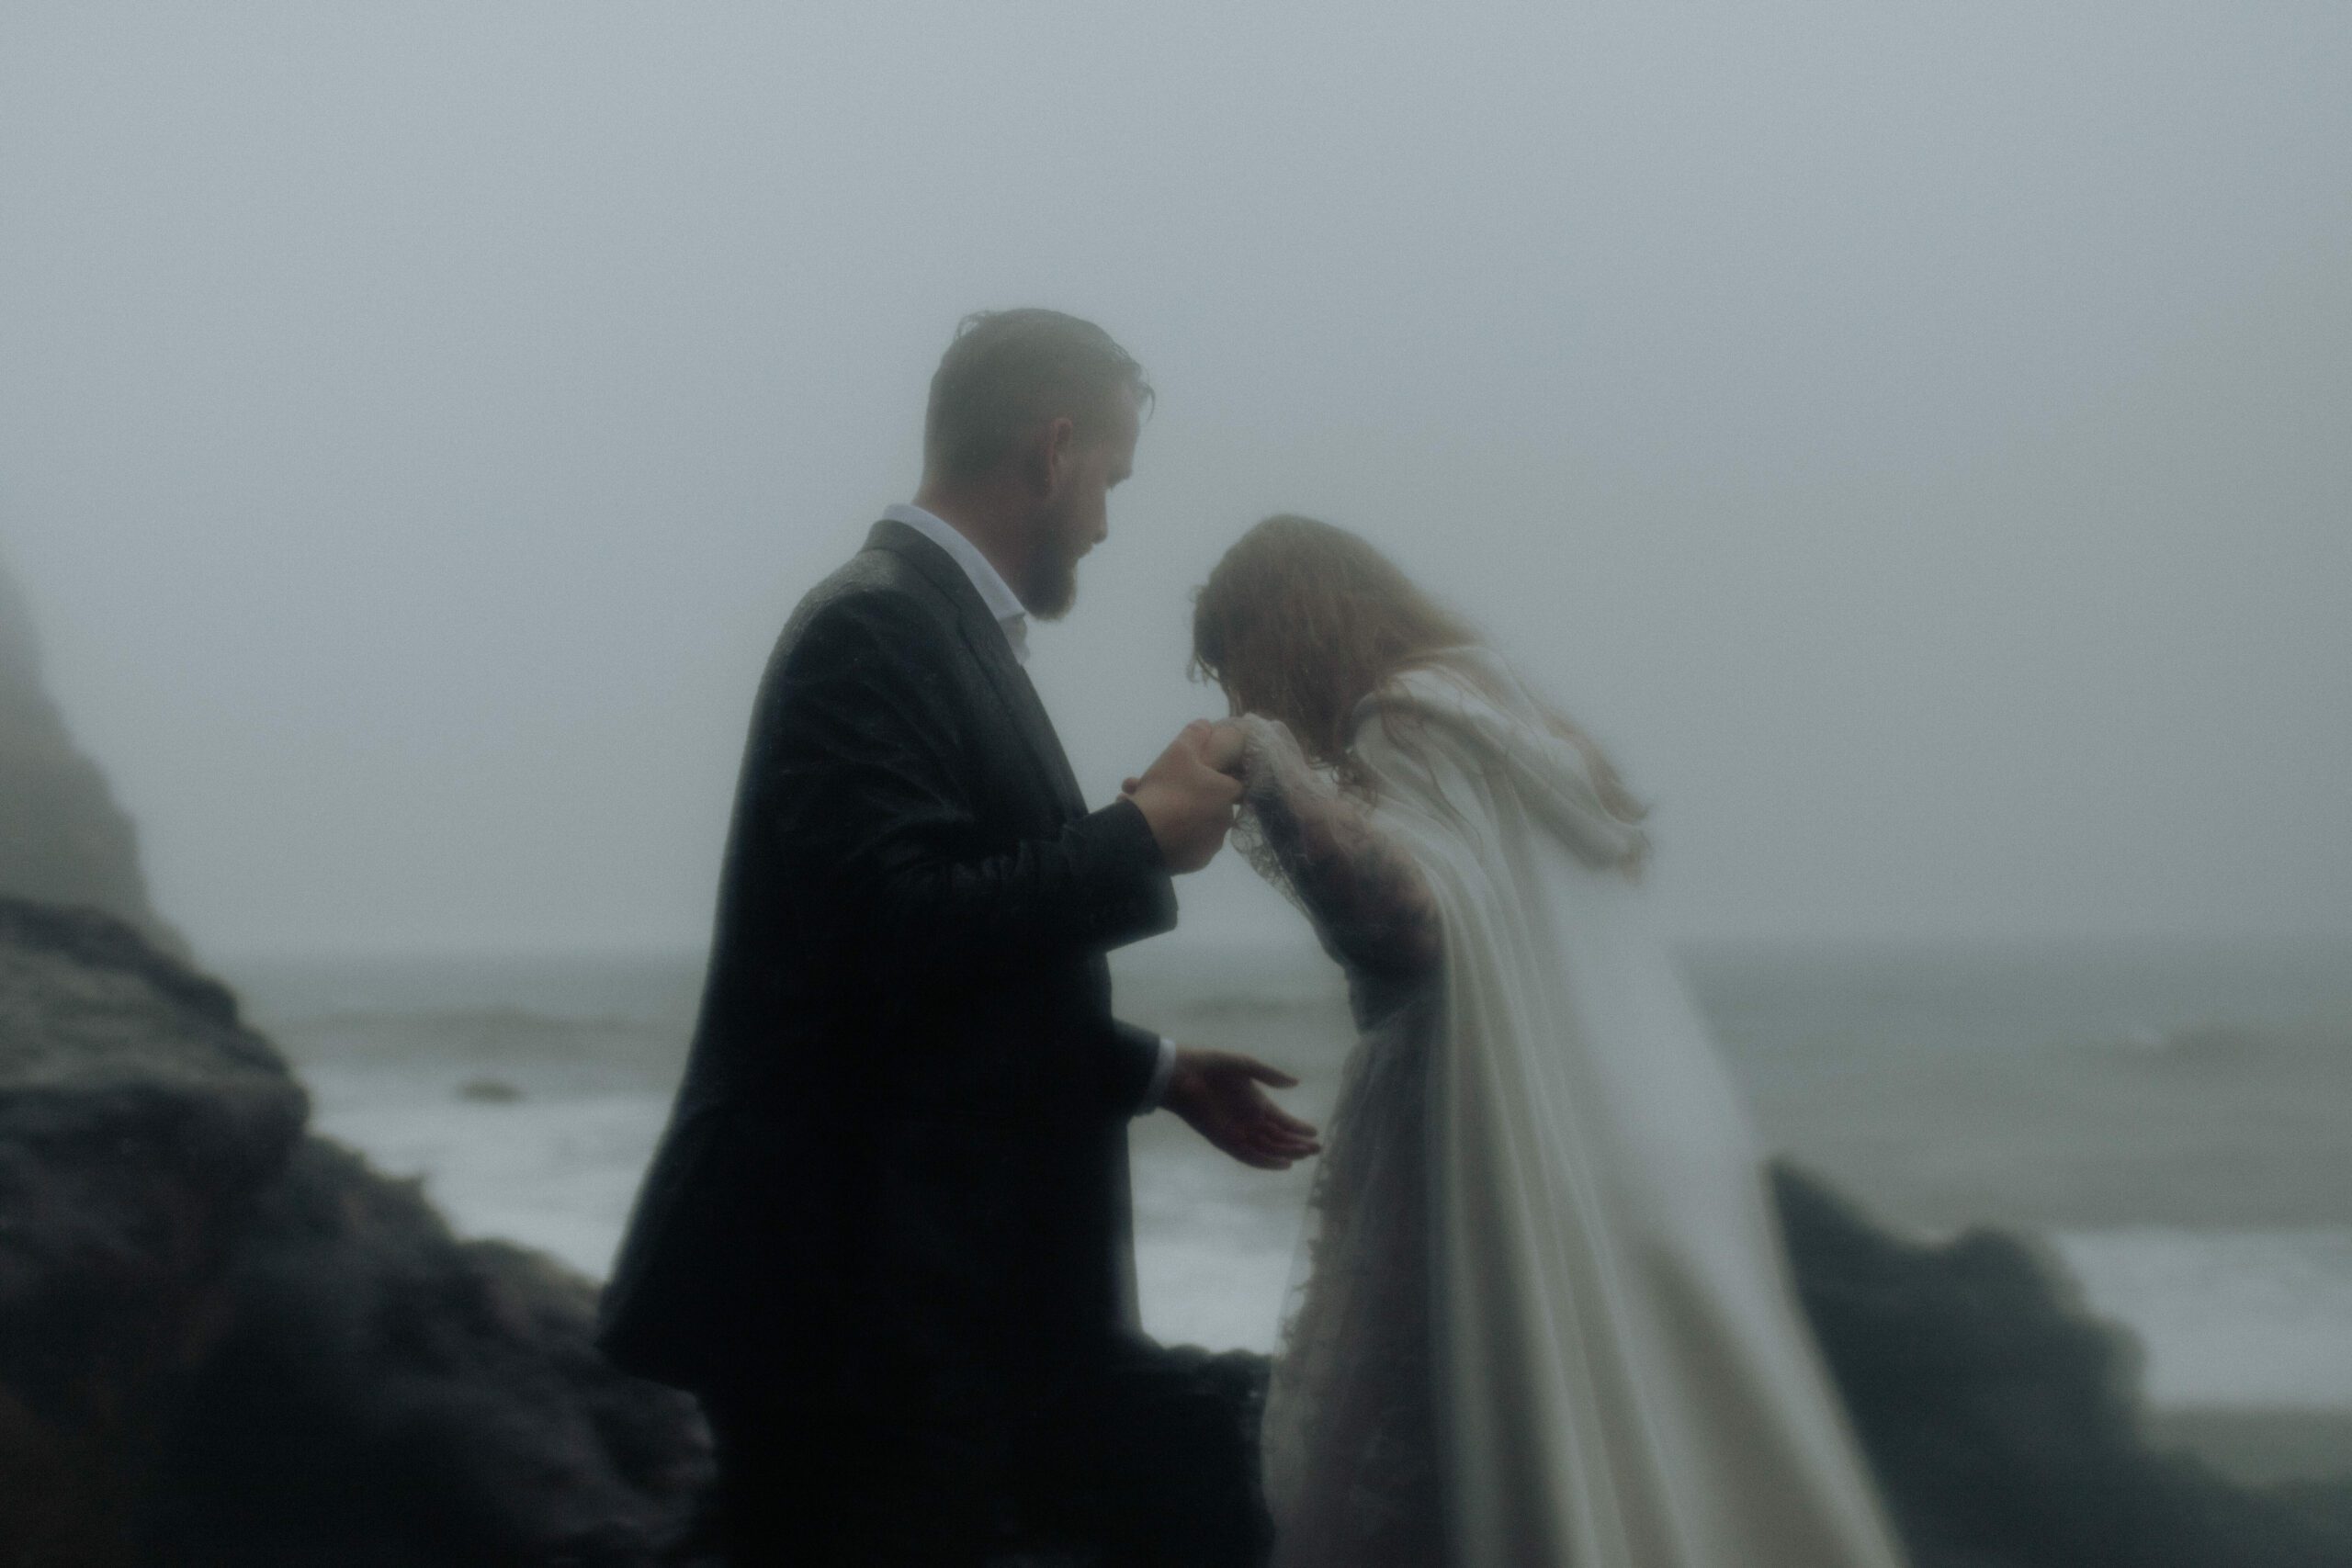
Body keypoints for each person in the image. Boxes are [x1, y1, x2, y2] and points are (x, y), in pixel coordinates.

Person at [597, 311, 1318, 1566]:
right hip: (849, 1310)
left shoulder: (934, 627)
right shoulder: (872, 627)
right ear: (1051, 450)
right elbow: (893, 933)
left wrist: (1150, 1072)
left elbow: (929, 999)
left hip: (896, 1304)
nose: (1105, 519)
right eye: (1113, 476)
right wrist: (1140, 833)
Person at [1192, 514, 1909, 1568]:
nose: (1235, 698)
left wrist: (1263, 763)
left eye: (1236, 666)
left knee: (1465, 1447)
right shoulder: (1518, 727)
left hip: (1481, 1137)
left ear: (1285, 626)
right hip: (1612, 1135)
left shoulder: (1408, 724)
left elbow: (1413, 922)